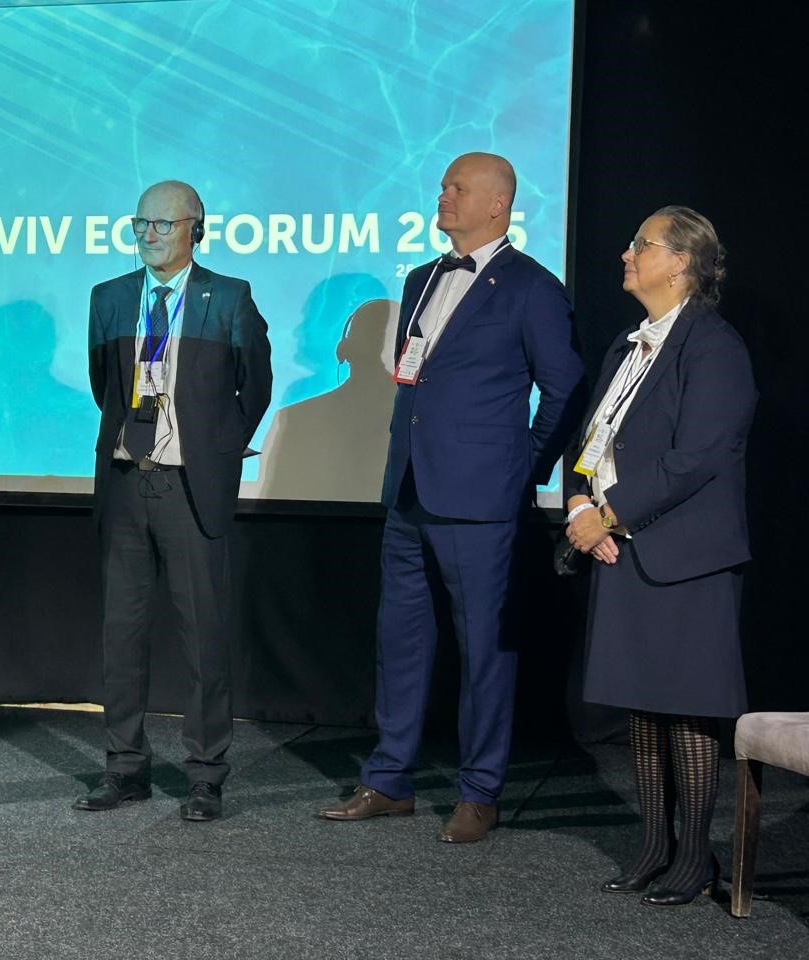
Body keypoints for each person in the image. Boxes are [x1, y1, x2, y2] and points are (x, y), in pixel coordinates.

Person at [317, 152, 585, 841]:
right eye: (442, 186)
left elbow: (565, 390)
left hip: (482, 499)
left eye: (457, 188)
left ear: (497, 204)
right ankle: (389, 780)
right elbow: (418, 378)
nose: (443, 196)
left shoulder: (532, 288)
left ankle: (480, 790)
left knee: (485, 649)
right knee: (399, 640)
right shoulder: (421, 278)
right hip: (410, 487)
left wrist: (524, 469)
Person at [564, 206, 755, 905]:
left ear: (680, 261)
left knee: (687, 707)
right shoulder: (628, 345)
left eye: (640, 244)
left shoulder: (713, 346)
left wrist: (611, 513)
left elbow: (700, 454)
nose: (626, 253)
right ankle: (654, 846)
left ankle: (695, 856)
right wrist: (579, 506)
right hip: (626, 547)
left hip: (686, 553)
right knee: (643, 704)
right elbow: (593, 439)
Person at [75, 180, 271, 821]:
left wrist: (215, 447)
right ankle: (124, 767)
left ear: (195, 229)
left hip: (191, 488)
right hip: (127, 483)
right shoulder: (110, 298)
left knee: (202, 637)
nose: (150, 235)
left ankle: (206, 774)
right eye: (141, 224)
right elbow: (104, 386)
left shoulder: (229, 297)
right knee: (122, 635)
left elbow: (255, 386)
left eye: (163, 224)